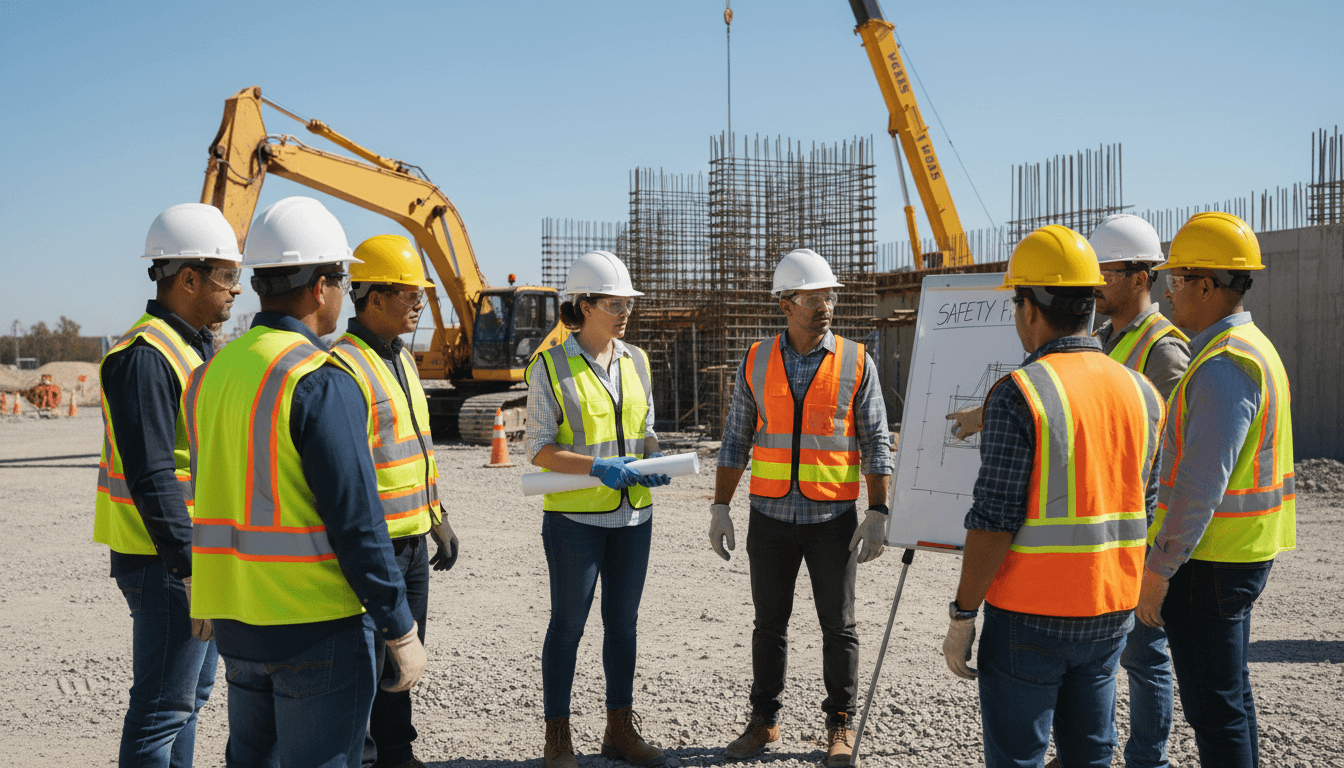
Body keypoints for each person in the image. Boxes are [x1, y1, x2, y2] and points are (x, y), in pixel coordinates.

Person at [185, 196, 426, 767]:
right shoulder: (318, 377)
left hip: (237, 623)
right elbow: (357, 521)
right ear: (322, 287)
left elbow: (206, 489)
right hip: (316, 626)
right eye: (342, 279)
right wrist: (398, 626)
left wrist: (204, 590)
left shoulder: (209, 374)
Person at [941, 225, 1165, 768]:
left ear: (1029, 308)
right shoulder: (1142, 392)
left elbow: (994, 520)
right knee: (1091, 755)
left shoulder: (1020, 393)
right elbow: (1147, 505)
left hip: (1030, 616)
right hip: (1112, 610)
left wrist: (963, 615)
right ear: (1090, 302)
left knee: (1019, 757)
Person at [711, 248, 893, 768]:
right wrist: (721, 505)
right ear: (785, 303)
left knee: (839, 626)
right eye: (812, 297)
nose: (825, 305)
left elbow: (877, 440)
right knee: (769, 623)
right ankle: (763, 721)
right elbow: (735, 438)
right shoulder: (756, 358)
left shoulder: (858, 360)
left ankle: (839, 724)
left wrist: (878, 511)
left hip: (832, 518)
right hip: (768, 517)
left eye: (829, 295)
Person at [1136, 212, 1295, 768]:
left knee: (1214, 710)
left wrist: (1157, 572)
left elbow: (1199, 487)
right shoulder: (1249, 348)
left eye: (1176, 280)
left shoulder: (1224, 365)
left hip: (1208, 565)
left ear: (1208, 285)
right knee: (1232, 700)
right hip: (1235, 556)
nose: (1170, 291)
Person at [94, 202, 241, 768]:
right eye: (227, 276)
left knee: (187, 701)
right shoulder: (145, 357)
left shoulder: (192, 346)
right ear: (187, 279)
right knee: (162, 709)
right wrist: (190, 566)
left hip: (187, 557)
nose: (234, 290)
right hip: (165, 561)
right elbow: (153, 474)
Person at [525, 251, 671, 768]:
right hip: (575, 522)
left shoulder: (636, 360)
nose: (625, 311)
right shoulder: (549, 365)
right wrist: (597, 466)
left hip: (634, 516)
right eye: (614, 302)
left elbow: (645, 431)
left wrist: (659, 460)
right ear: (583, 306)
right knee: (567, 625)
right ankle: (558, 738)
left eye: (628, 302)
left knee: (623, 625)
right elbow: (539, 447)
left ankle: (618, 731)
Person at [331, 234, 460, 768]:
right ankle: (361, 757)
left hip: (412, 542)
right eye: (410, 293)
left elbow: (416, 449)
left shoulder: (403, 360)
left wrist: (439, 517)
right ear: (374, 297)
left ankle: (396, 753)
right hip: (373, 544)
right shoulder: (344, 365)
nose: (420, 304)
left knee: (404, 661)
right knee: (365, 664)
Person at [1068, 213, 1191, 768]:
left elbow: (1175, 462)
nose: (1095, 284)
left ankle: (1147, 760)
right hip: (1100, 524)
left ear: (1141, 278)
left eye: (1106, 273)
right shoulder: (1100, 340)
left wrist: (1158, 555)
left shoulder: (1164, 351)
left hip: (1140, 531)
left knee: (1144, 657)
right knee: (1095, 656)